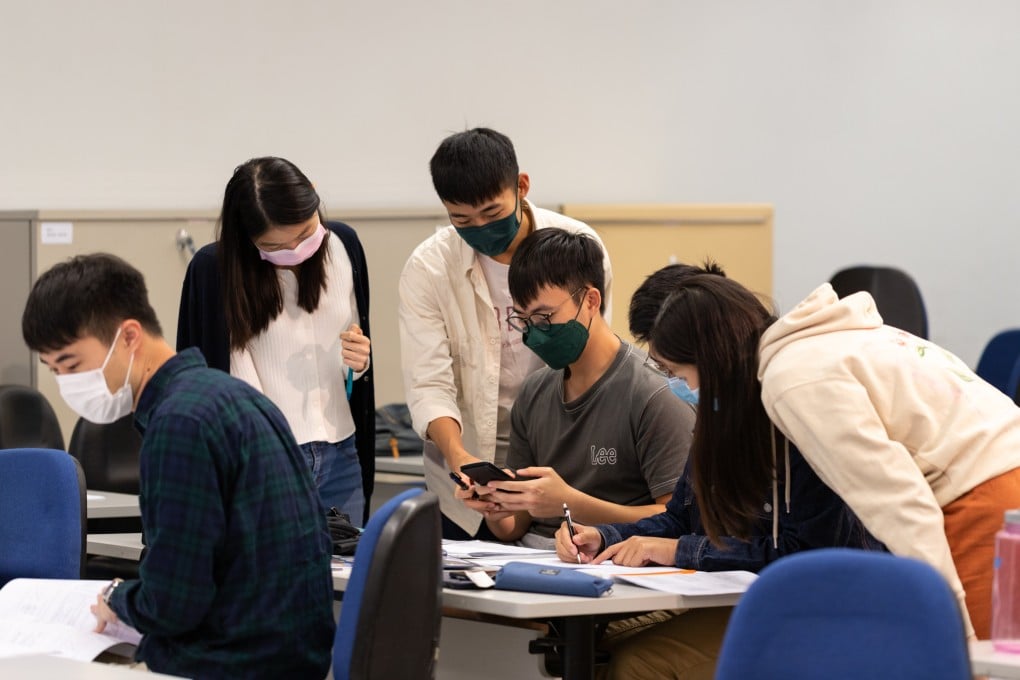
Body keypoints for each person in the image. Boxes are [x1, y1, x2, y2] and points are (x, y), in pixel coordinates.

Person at [638, 273, 1020, 641]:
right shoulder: (815, 348)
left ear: (712, 359)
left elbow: (898, 501)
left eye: (679, 373)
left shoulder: (793, 379)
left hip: (985, 495)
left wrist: (954, 632)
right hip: (997, 476)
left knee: (964, 660)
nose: (683, 389)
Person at [558, 262, 883, 679]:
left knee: (638, 665)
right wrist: (606, 536)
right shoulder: (719, 411)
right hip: (750, 597)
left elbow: (809, 557)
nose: (672, 383)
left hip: (822, 608)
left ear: (711, 358)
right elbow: (681, 515)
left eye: (674, 371)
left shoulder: (797, 411)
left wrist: (679, 550)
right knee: (592, 649)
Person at [22, 254, 334, 678]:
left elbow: (174, 603)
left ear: (129, 335)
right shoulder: (234, 397)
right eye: (54, 371)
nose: (66, 384)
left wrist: (116, 598)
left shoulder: (179, 424)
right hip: (286, 654)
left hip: (231, 662)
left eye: (72, 365)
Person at [399, 127, 613, 539]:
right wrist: (459, 456)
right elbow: (429, 383)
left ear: (522, 186)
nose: (479, 228)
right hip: (465, 482)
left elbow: (592, 356)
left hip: (556, 470)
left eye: (492, 214)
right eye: (461, 219)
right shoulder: (428, 269)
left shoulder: (577, 247)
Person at [453, 229, 691, 548]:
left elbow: (676, 521)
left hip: (612, 563)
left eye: (545, 317)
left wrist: (571, 504)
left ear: (591, 300)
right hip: (534, 559)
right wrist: (496, 506)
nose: (535, 334)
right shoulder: (535, 391)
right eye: (523, 321)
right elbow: (513, 527)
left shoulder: (654, 393)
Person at [177, 156, 374, 524]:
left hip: (342, 452)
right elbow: (210, 383)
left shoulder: (344, 245)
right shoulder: (215, 270)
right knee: (271, 577)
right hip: (264, 460)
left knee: (345, 576)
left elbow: (355, 343)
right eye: (275, 246)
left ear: (314, 198)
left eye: (304, 234)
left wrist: (360, 362)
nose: (295, 250)